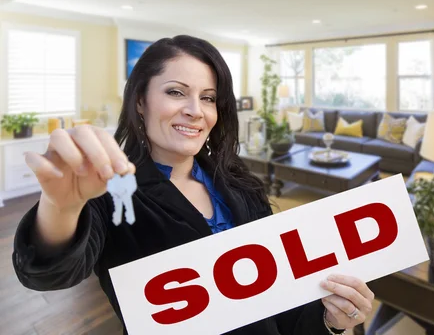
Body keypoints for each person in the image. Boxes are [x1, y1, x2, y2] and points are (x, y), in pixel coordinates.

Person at [12, 35, 375, 334]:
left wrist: (331, 321)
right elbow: (49, 274)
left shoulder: (240, 183)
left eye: (207, 97)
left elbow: (281, 301)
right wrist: (61, 205)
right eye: (175, 92)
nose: (195, 110)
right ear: (141, 101)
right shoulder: (111, 194)